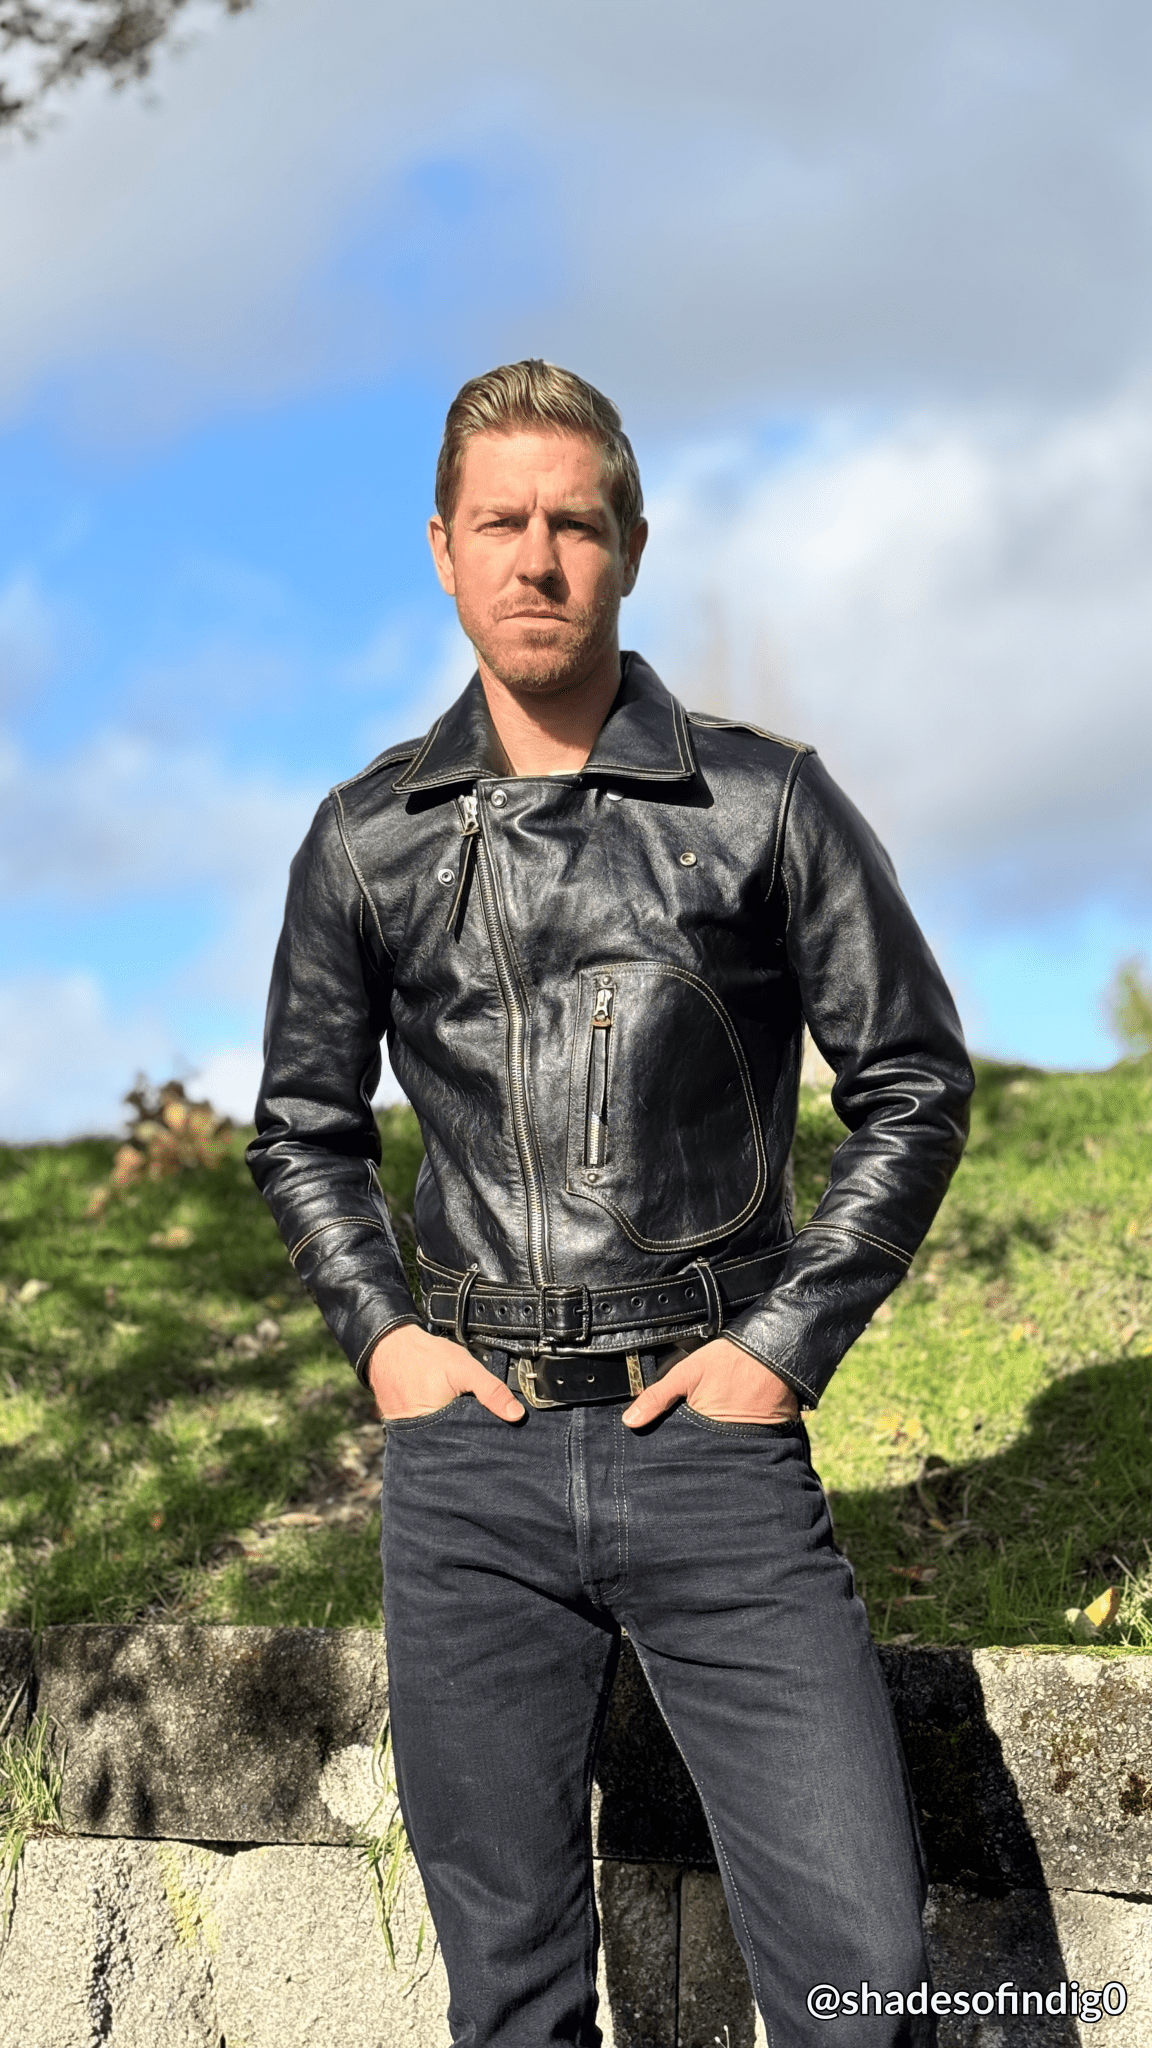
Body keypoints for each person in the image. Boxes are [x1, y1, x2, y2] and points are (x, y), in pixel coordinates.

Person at [248, 359, 974, 2047]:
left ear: (632, 546)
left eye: (574, 522)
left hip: (711, 1447)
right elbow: (301, 1129)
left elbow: (913, 1082)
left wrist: (777, 1354)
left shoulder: (764, 803)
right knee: (509, 2004)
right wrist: (390, 1350)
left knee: (862, 1988)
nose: (539, 557)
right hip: (469, 1470)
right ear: (443, 548)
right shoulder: (365, 839)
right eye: (501, 522)